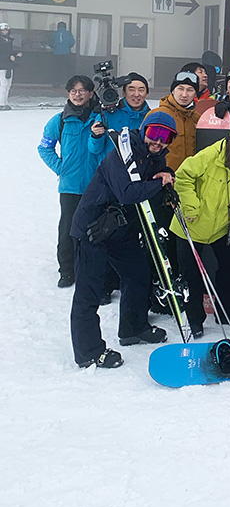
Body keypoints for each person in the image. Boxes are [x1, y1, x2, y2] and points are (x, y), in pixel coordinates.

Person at [68, 111, 177, 368]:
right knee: (89, 291)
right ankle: (89, 352)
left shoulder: (153, 156)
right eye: (154, 133)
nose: (158, 141)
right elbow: (128, 193)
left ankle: (133, 328)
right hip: (93, 229)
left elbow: (157, 173)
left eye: (165, 136)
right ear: (143, 130)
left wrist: (166, 175)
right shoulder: (122, 153)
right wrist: (160, 184)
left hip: (119, 227)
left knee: (137, 273)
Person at [171, 117, 230, 336]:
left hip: (221, 228)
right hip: (192, 226)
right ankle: (195, 319)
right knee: (192, 275)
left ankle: (227, 310)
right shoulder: (212, 155)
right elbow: (183, 177)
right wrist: (190, 206)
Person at [38, 75, 103, 287]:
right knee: (67, 229)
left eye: (82, 90)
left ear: (91, 93)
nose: (78, 94)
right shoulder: (59, 120)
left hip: (97, 185)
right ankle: (67, 270)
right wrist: (60, 168)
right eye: (73, 90)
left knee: (96, 230)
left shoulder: (101, 118)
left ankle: (93, 269)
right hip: (70, 186)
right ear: (68, 94)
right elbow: (44, 148)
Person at [157, 70, 201, 171]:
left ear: (195, 94)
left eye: (190, 90)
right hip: (164, 178)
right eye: (180, 89)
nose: (184, 95)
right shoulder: (159, 116)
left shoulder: (196, 119)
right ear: (172, 91)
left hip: (189, 179)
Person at [0, 21, 22, 109]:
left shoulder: (8, 40)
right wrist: (10, 56)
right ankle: (1, 103)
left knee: (8, 85)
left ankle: (5, 102)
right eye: (3, 30)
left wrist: (16, 54)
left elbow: (9, 51)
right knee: (3, 84)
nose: (5, 32)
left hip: (9, 65)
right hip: (2, 66)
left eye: (6, 30)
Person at [49, 21, 76, 85]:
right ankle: (66, 82)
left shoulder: (55, 33)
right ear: (65, 27)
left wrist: (55, 46)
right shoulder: (68, 33)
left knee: (57, 69)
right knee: (66, 68)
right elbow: (72, 42)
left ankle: (57, 82)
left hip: (57, 54)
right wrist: (67, 47)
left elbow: (50, 43)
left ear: (58, 27)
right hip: (66, 53)